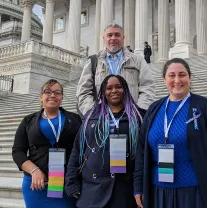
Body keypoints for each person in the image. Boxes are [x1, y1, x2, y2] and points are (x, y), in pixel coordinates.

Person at [134, 58, 207, 208]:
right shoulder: (154, 109)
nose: (177, 80)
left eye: (182, 75)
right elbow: (141, 150)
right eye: (172, 75)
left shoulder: (205, 107)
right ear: (164, 79)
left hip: (195, 192)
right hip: (158, 192)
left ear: (190, 78)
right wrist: (139, 184)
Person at [66, 75, 146, 208]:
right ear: (103, 92)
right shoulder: (91, 117)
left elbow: (143, 156)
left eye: (118, 87)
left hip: (125, 190)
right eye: (109, 88)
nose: (114, 90)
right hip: (92, 191)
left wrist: (140, 187)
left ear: (125, 89)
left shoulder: (138, 117)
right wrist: (71, 182)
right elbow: (77, 151)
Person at [12, 79, 82, 208]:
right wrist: (34, 170)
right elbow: (17, 151)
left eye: (57, 92)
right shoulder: (28, 121)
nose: (52, 95)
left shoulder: (75, 119)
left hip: (65, 182)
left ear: (62, 97)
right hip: (36, 183)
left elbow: (82, 149)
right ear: (41, 97)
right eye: (47, 92)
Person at [77, 23, 154, 117]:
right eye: (109, 35)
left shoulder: (138, 60)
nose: (113, 38)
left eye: (117, 35)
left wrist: (139, 112)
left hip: (131, 117)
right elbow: (83, 91)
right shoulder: (93, 61)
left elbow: (147, 87)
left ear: (123, 38)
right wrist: (94, 114)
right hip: (101, 118)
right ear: (104, 38)